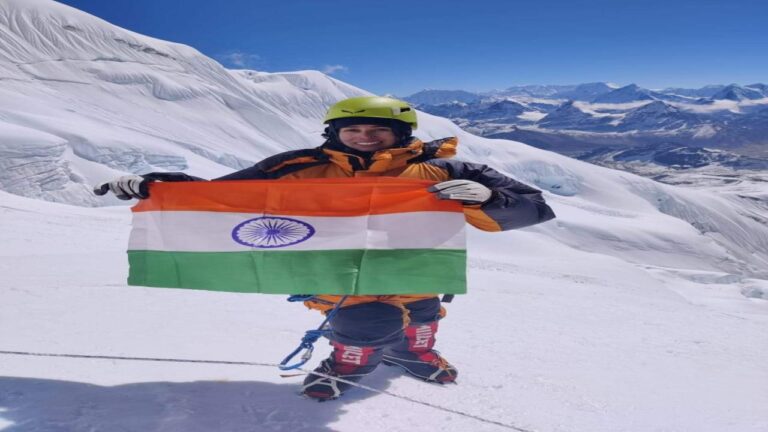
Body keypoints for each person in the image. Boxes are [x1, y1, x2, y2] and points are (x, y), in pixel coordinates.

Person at [96, 96, 556, 401]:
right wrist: (156, 189)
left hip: (413, 263)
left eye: (376, 130)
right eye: (352, 129)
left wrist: (490, 199)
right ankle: (350, 360)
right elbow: (222, 198)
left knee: (421, 313)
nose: (364, 137)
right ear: (333, 131)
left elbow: (533, 209)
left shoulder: (446, 169)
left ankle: (410, 351)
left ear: (403, 133)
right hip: (333, 270)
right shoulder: (297, 166)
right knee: (366, 320)